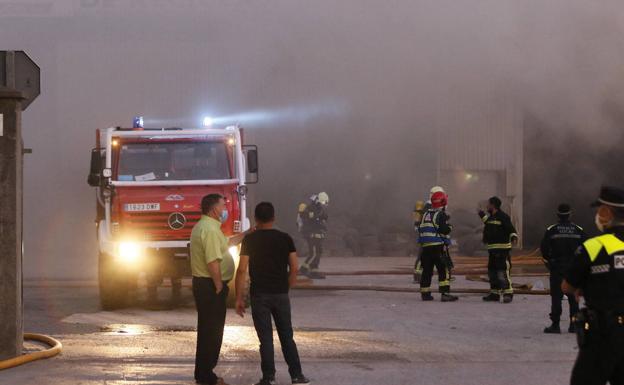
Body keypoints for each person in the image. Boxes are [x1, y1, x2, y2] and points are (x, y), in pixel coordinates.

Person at [236, 202, 311, 385]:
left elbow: (242, 270)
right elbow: (294, 267)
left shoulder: (250, 240)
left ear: (255, 219)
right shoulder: (285, 238)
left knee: (265, 339)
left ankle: (268, 378)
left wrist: (239, 297)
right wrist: (288, 286)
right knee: (287, 336)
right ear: (274, 217)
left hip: (259, 295)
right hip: (280, 294)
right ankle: (297, 375)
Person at [563, 186, 624, 385]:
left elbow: (567, 286)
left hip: (603, 335)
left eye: (599, 210)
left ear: (606, 213)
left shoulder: (594, 247)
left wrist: (586, 285)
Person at [190, 194, 247, 385]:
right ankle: (207, 376)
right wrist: (219, 285)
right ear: (214, 209)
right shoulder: (210, 229)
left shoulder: (207, 226)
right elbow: (212, 261)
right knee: (212, 332)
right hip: (210, 286)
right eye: (223, 206)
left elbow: (227, 243)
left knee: (207, 330)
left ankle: (202, 372)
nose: (226, 210)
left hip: (205, 284)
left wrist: (247, 234)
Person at [540, 203, 586, 334]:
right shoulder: (578, 230)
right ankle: (574, 325)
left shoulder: (552, 230)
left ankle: (555, 325)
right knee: (573, 297)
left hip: (557, 268)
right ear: (570, 215)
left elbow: (544, 249)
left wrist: (550, 262)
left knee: (556, 297)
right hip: (573, 268)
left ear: (557, 215)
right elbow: (587, 248)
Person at [417, 191, 458, 302]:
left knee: (427, 271)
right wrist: (450, 226)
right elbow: (444, 230)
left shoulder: (425, 214)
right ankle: (445, 294)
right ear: (443, 202)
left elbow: (420, 229)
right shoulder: (440, 214)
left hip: (426, 248)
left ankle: (425, 294)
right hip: (437, 247)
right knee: (443, 270)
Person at [478, 196, 518, 303]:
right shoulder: (492, 217)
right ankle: (494, 294)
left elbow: (510, 228)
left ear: (493, 205)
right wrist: (481, 213)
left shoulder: (503, 216)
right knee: (492, 272)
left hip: (502, 250)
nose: (487, 206)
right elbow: (487, 222)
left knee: (502, 271)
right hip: (492, 249)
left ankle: (508, 293)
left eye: (488, 204)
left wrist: (514, 237)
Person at [299, 192, 329, 279]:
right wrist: (319, 220)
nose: (324, 205)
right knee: (314, 253)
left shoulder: (318, 208)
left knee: (318, 252)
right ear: (319, 201)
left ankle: (314, 271)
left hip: (316, 233)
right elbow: (310, 220)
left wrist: (322, 219)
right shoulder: (311, 208)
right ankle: (303, 269)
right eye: (323, 203)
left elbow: (320, 219)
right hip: (311, 233)